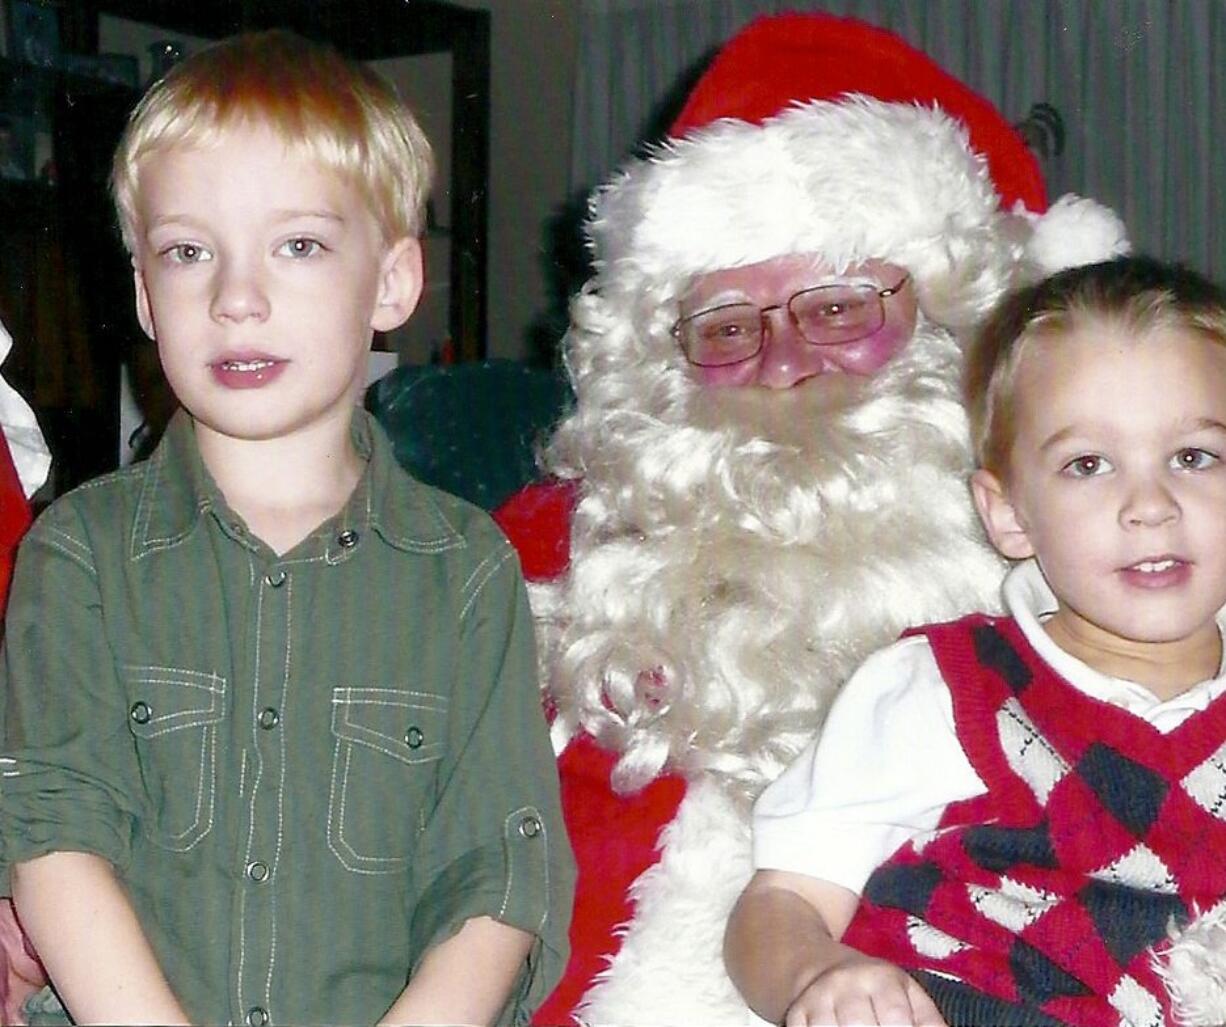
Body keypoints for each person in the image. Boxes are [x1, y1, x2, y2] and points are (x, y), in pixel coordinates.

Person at [492, 12, 1127, 1026]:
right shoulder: (524, 560)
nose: (783, 367)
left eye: (837, 310)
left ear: (952, 318)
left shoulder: (1113, 545)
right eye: (730, 328)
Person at [0, 31, 572, 1027]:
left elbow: (499, 877)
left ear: (392, 282)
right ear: (144, 293)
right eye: (188, 251)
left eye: (297, 244)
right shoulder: (76, 553)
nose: (237, 296)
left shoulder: (468, 573)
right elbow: (54, 835)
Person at [726, 255, 1226, 1027]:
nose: (1151, 505)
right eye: (1087, 464)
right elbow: (783, 898)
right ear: (1008, 515)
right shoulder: (940, 687)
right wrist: (820, 970)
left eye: (1194, 456)